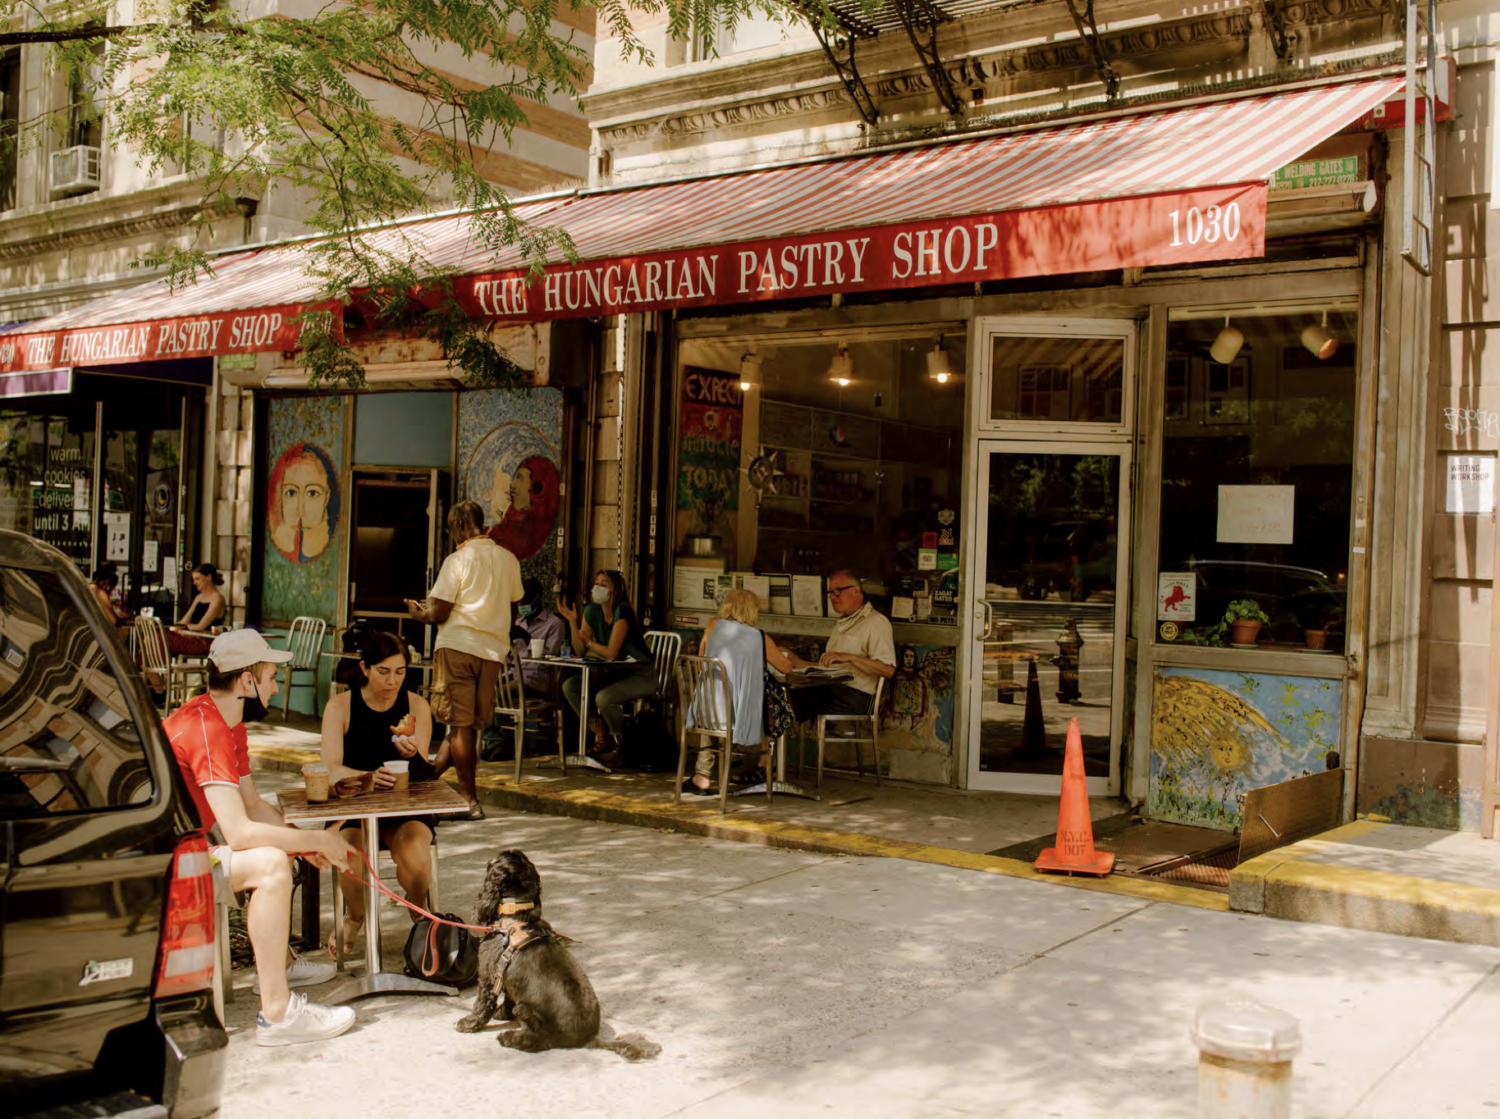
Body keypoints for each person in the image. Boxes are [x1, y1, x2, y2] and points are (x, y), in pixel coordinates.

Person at [162, 629, 358, 1047]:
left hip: (189, 853)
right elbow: (239, 832)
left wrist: (302, 841)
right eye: (270, 675)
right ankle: (278, 1013)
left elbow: (252, 805)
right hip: (163, 864)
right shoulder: (207, 728)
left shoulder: (227, 724)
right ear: (246, 681)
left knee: (278, 849)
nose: (276, 684)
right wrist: (320, 843)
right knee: (269, 862)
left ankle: (277, 968)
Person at [319, 630, 436, 958]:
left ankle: (419, 907)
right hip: (353, 803)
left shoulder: (417, 706)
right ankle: (355, 916)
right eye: (383, 671)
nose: (392, 681)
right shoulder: (341, 706)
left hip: (404, 804)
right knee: (351, 856)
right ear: (364, 668)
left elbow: (424, 772)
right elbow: (330, 768)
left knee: (413, 849)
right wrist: (367, 778)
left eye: (400, 672)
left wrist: (414, 755)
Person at [406, 500, 522, 819]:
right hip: (492, 652)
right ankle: (426, 783)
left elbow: (440, 612)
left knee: (460, 727)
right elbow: (513, 610)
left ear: (459, 527)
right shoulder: (508, 559)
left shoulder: (457, 560)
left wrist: (419, 615)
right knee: (463, 727)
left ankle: (468, 800)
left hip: (458, 646)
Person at [684, 588, 795, 795]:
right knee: (775, 705)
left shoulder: (712, 625)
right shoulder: (759, 637)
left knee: (715, 703)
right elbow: (786, 668)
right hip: (741, 718)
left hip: (706, 711)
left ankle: (702, 775)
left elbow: (701, 663)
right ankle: (767, 763)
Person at [556, 569, 657, 760]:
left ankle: (621, 744)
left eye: (604, 585)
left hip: (640, 674)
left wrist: (588, 642)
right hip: (615, 673)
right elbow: (580, 651)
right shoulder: (591, 610)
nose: (597, 588)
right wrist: (572, 623)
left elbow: (611, 653)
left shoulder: (623, 611)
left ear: (615, 590)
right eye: (596, 583)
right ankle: (601, 734)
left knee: (604, 698)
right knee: (571, 686)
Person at [783, 569, 896, 721]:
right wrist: (796, 661)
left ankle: (774, 736)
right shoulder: (844, 623)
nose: (833, 597)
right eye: (830, 593)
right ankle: (778, 736)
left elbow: (888, 670)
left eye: (838, 591)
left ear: (856, 590)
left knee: (789, 696)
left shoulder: (876, 622)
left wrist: (851, 658)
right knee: (785, 691)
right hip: (834, 689)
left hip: (858, 697)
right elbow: (830, 667)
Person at [511, 576, 565, 697]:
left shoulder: (554, 623)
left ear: (538, 598)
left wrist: (528, 640)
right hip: (512, 676)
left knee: (494, 695)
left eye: (526, 601)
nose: (522, 604)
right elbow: (509, 658)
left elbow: (550, 660)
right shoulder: (518, 623)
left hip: (535, 681)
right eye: (519, 601)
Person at [176, 562, 226, 632]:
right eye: (194, 580)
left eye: (197, 579)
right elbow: (184, 621)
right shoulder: (199, 597)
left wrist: (185, 627)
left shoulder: (217, 598)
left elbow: (200, 627)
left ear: (208, 577)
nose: (194, 583)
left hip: (207, 639)